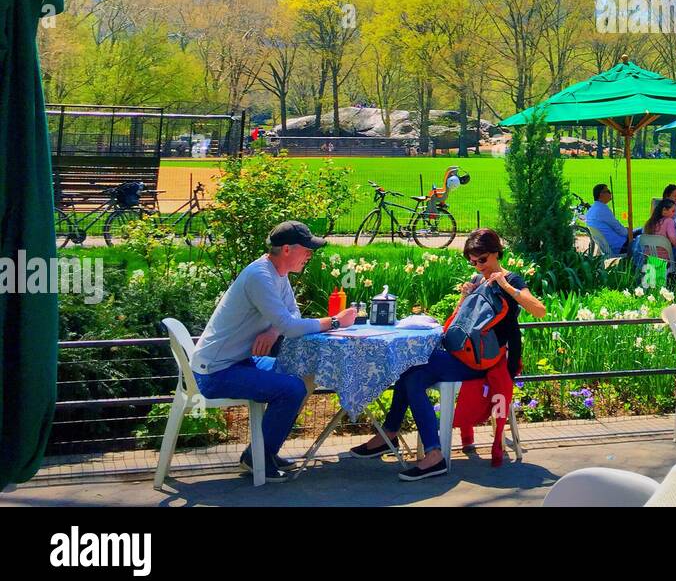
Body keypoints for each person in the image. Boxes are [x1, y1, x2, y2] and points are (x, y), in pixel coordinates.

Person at [353, 228, 545, 479]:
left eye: (482, 260)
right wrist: (464, 297)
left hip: (484, 360)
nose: (478, 266)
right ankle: (423, 450)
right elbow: (460, 323)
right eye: (472, 261)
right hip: (462, 353)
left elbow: (539, 310)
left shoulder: (512, 280)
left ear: (497, 253)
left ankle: (396, 437)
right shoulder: (477, 281)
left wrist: (506, 285)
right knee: (411, 375)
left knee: (413, 366)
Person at [190, 221, 354, 482]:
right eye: (307, 249)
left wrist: (274, 330)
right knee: (291, 389)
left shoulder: (278, 273)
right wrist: (335, 321)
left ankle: (261, 453)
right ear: (287, 249)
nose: (311, 254)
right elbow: (290, 324)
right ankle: (259, 459)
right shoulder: (260, 276)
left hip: (237, 362)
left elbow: (292, 316)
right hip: (215, 372)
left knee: (302, 376)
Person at [585, 183, 631, 256]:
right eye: (608, 191)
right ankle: (651, 265)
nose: (610, 193)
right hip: (620, 246)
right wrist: (629, 232)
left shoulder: (591, 210)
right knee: (642, 233)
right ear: (601, 194)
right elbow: (619, 229)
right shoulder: (602, 209)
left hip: (610, 245)